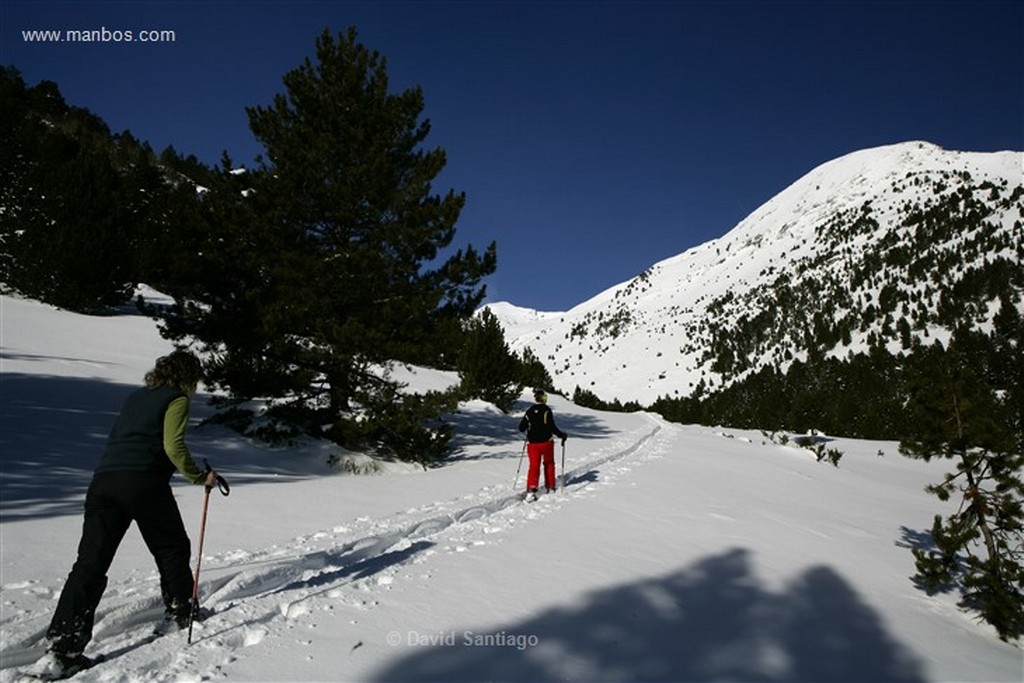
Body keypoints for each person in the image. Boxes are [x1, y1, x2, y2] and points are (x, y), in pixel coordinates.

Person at [44, 349, 221, 676]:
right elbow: (173, 447)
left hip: (103, 481)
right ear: (187, 377)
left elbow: (120, 439)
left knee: (91, 562)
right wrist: (200, 476)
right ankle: (182, 611)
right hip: (143, 482)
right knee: (171, 547)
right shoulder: (176, 399)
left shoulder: (136, 398)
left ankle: (63, 646)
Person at [518, 388, 567, 501]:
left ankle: (531, 489)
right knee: (549, 463)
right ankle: (550, 486)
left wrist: (530, 427)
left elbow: (521, 428)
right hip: (546, 443)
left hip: (533, 444)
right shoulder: (547, 411)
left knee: (534, 466)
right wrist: (562, 435)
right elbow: (552, 427)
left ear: (535, 399)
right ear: (544, 399)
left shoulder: (529, 411)